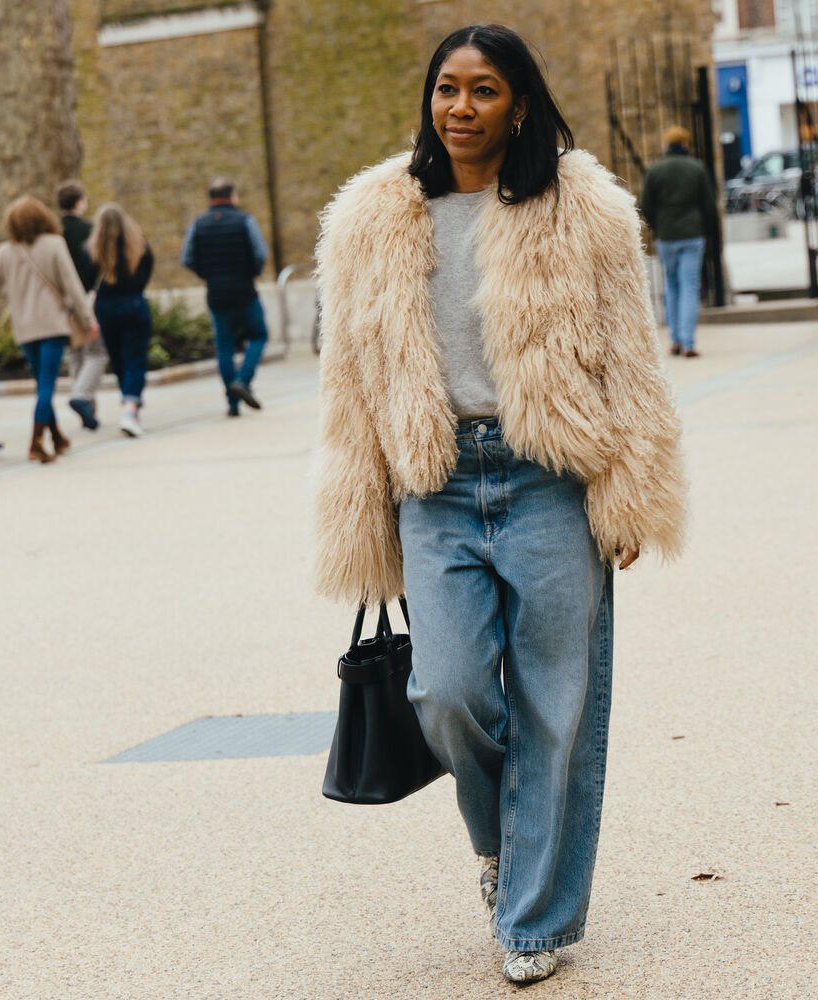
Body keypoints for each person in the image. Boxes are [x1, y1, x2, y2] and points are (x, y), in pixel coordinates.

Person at [313, 24, 687, 985]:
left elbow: (629, 355)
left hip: (547, 477)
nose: (461, 108)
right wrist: (362, 512)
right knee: (449, 694)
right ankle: (505, 850)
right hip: (433, 485)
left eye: (484, 90)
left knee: (557, 708)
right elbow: (348, 382)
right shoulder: (373, 215)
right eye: (447, 88)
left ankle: (533, 921)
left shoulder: (582, 207)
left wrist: (631, 491)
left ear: (519, 103)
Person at [0, 196, 97, 463]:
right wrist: (88, 319)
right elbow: (72, 285)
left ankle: (57, 437)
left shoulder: (6, 251)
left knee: (43, 383)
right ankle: (36, 443)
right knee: (46, 385)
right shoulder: (53, 244)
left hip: (25, 329)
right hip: (52, 326)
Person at [180, 178, 269, 417]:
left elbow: (187, 257)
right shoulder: (245, 220)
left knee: (225, 347)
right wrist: (254, 271)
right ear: (232, 196)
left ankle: (232, 403)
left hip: (216, 294)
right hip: (245, 291)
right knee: (259, 335)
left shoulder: (198, 224)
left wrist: (207, 274)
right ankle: (243, 379)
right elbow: (260, 253)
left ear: (211, 198)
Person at [639, 125, 718, 358]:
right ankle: (689, 342)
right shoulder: (697, 168)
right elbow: (709, 206)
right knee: (689, 286)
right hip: (692, 235)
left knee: (671, 286)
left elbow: (646, 206)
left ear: (667, 144)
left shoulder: (655, 170)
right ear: (685, 144)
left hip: (666, 237)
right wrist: (709, 231)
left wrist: (658, 226)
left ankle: (674, 339)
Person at [87, 203, 154, 438]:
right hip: (134, 304)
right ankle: (130, 409)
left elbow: (87, 279)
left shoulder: (94, 250)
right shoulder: (139, 246)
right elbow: (147, 273)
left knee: (118, 360)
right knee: (135, 359)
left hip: (106, 307)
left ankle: (129, 405)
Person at [57, 179, 107, 430]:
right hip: (87, 296)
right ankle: (82, 398)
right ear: (80, 202)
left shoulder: (53, 232)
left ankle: (87, 408)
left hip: (60, 301)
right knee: (96, 352)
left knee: (74, 352)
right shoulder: (91, 231)